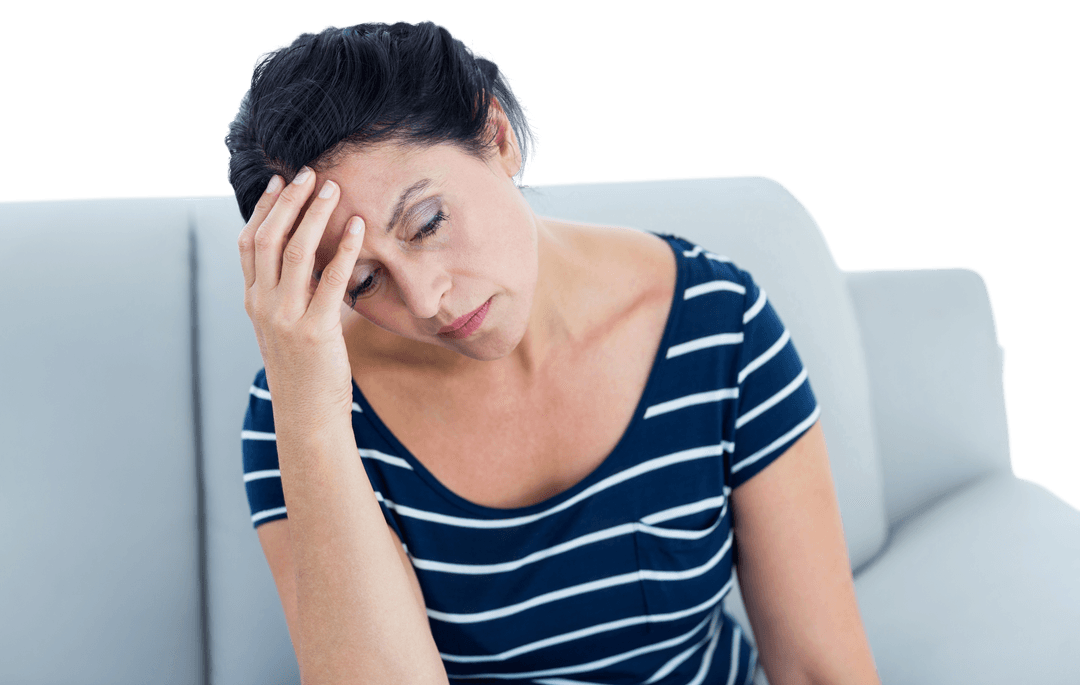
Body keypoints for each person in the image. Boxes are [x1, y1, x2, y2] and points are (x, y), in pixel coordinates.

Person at [228, 19, 880, 685]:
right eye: (363, 281)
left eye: (427, 223)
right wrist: (310, 415)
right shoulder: (305, 410)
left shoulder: (718, 324)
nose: (426, 299)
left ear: (497, 134)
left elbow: (819, 668)